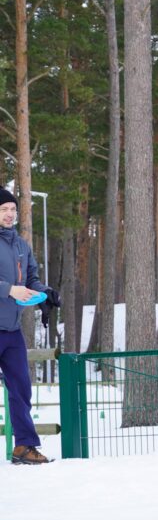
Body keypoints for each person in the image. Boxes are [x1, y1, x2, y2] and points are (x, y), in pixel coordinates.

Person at [0, 187, 59, 464]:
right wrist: (9, 290)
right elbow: (13, 288)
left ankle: (24, 446)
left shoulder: (21, 245)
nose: (10, 214)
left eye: (12, 209)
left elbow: (32, 278)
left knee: (22, 389)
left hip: (12, 331)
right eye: (4, 210)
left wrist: (45, 294)